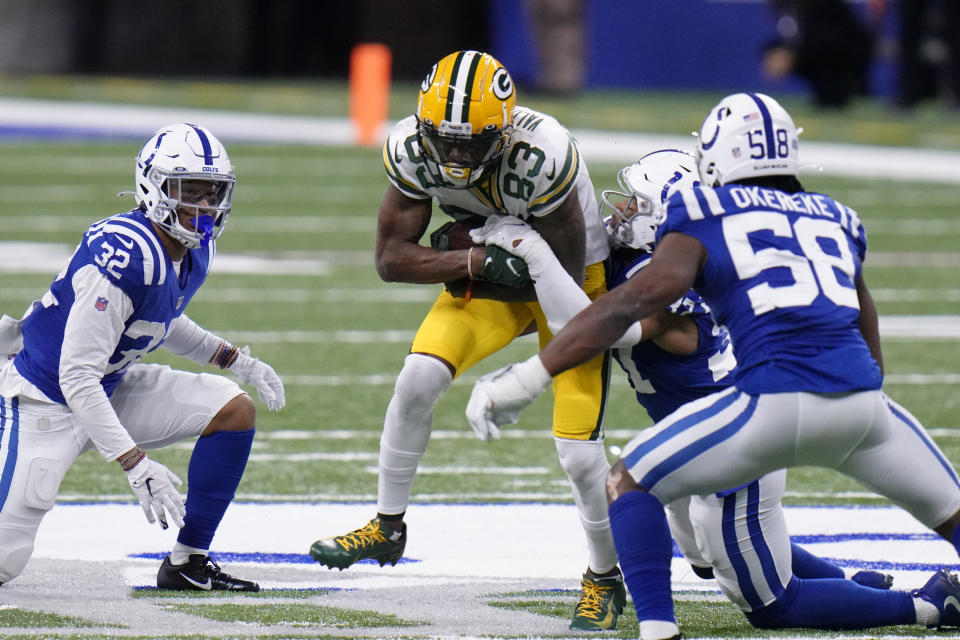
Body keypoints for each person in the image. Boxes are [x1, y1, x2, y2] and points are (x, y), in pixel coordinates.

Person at [466, 93, 960, 639]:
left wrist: (527, 377)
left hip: (765, 405)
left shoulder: (702, 213)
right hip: (864, 404)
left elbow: (628, 310)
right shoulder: (838, 216)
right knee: (951, 512)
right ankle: (865, 585)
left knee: (630, 483)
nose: (623, 208)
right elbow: (868, 331)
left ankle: (657, 628)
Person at [307, 49, 622, 631]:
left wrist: (510, 256)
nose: (454, 156)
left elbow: (566, 296)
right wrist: (476, 259)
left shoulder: (542, 157)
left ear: (502, 133)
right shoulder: (409, 150)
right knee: (417, 377)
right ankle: (387, 526)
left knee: (579, 454)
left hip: (574, 287)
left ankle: (604, 577)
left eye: (470, 143)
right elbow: (390, 259)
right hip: (496, 273)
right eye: (443, 141)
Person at [0, 123, 285, 591]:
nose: (204, 206)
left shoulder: (193, 247)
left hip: (109, 386)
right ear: (154, 187)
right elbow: (75, 377)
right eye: (189, 191)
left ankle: (188, 562)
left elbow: (160, 320)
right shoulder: (125, 255)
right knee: (3, 562)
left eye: (212, 193)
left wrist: (237, 361)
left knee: (232, 410)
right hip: (42, 401)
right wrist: (135, 464)